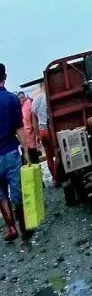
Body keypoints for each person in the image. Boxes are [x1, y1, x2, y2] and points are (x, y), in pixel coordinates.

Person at [0, 64, 29, 243]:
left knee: (1, 195)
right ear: (5, 76)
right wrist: (26, 150)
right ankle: (24, 227)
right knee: (16, 190)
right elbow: (20, 129)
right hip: (11, 152)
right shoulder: (11, 99)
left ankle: (11, 227)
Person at [19, 91, 40, 164]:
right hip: (26, 139)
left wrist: (37, 135)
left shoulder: (27, 104)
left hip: (29, 139)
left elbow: (33, 121)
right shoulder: (25, 105)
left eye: (22, 98)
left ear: (24, 98)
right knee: (33, 160)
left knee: (31, 161)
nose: (20, 100)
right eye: (19, 98)